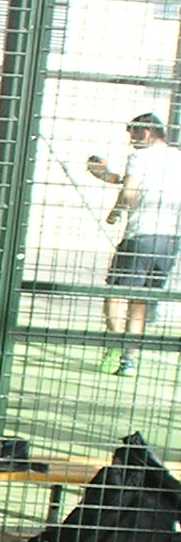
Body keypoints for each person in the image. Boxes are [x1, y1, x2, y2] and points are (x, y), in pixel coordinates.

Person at [87, 112, 181, 376]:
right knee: (141, 300)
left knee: (115, 294)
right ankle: (130, 359)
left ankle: (116, 342)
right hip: (170, 239)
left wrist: (116, 211)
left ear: (146, 133)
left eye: (134, 135)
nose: (132, 142)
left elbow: (129, 194)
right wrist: (115, 178)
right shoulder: (177, 157)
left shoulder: (140, 157)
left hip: (140, 235)